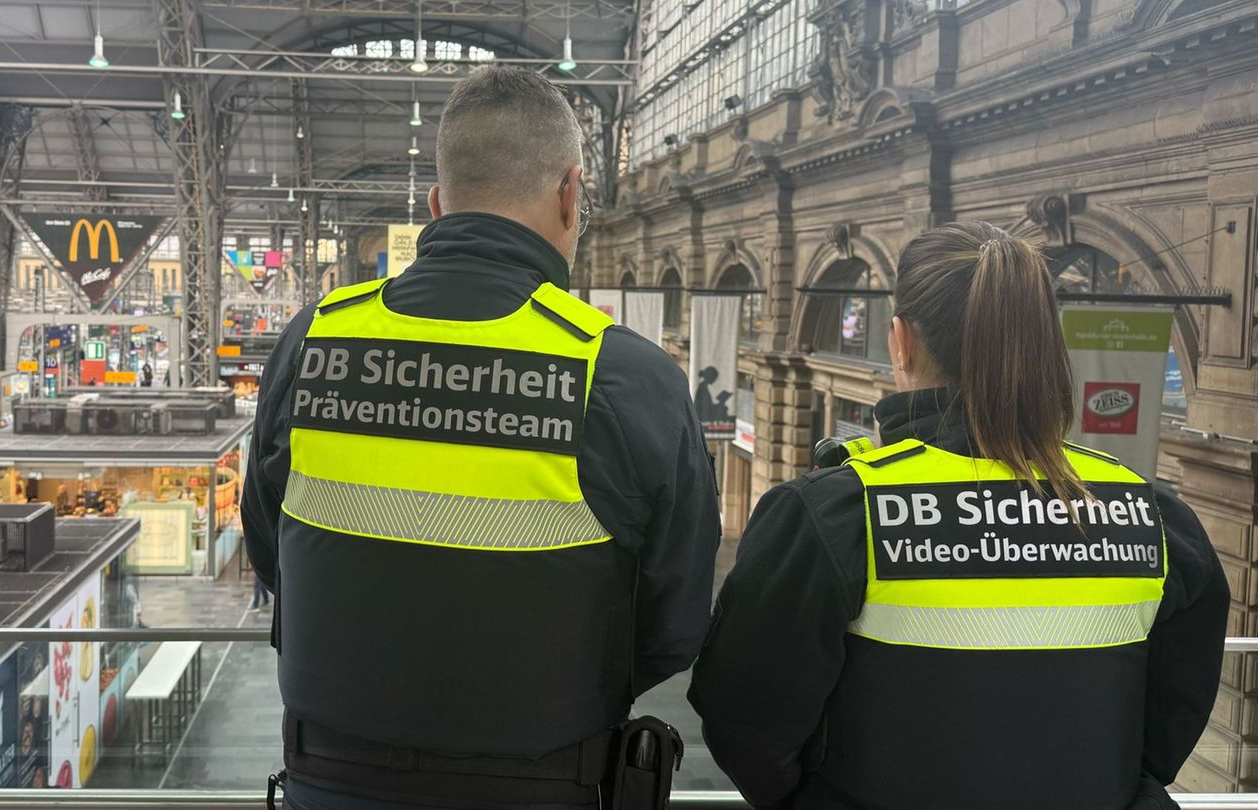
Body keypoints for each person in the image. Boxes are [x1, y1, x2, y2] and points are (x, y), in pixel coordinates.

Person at [241, 66, 720, 810]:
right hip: (548, 785)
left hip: (327, 781)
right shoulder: (624, 375)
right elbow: (675, 616)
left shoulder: (316, 341)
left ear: (436, 204)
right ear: (572, 193)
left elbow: (270, 545)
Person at [688, 222, 1229, 810]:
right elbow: (1171, 719)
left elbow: (743, 720)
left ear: (900, 341)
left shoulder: (835, 517)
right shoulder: (1152, 516)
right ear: (1046, 341)